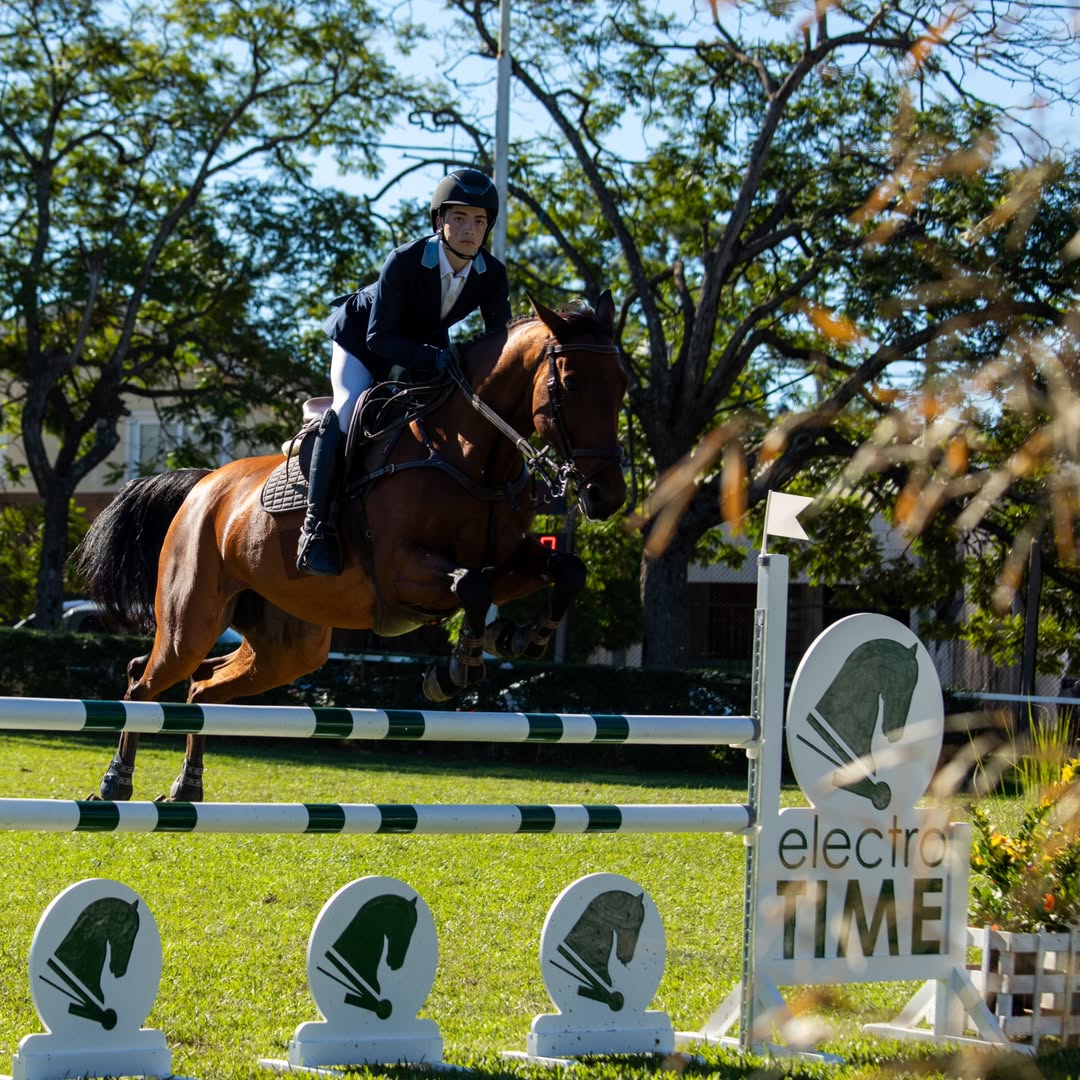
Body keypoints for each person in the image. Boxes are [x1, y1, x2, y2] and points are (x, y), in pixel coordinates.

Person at [297, 168, 512, 576]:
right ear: (439, 220)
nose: (470, 229)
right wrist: (434, 359)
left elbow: (499, 343)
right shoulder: (405, 260)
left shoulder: (492, 275)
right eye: (460, 218)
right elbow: (379, 338)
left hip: (423, 347)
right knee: (348, 408)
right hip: (363, 341)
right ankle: (315, 528)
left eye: (479, 220)